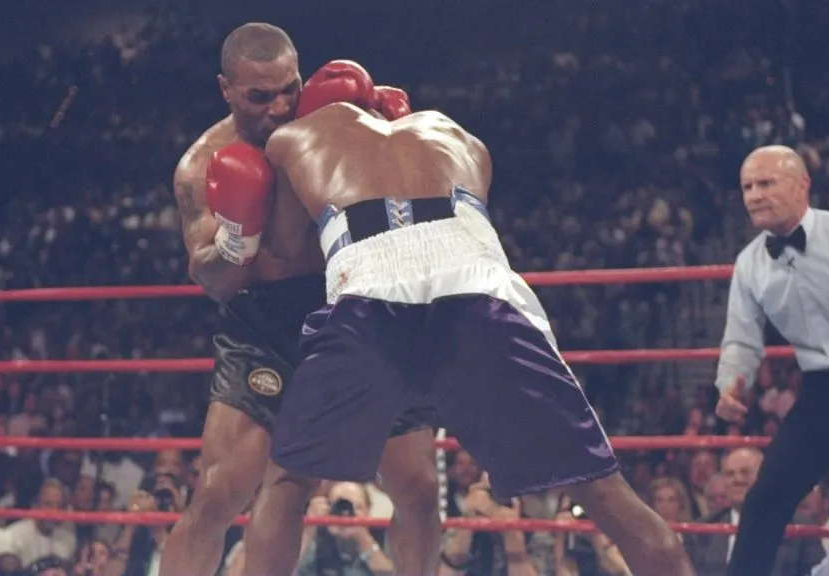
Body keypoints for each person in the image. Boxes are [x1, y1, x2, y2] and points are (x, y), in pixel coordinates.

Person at [241, 59, 694, 576]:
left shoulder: (294, 139)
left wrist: (234, 232)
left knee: (288, 483)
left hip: (369, 289)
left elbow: (279, 254)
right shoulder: (462, 137)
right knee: (603, 490)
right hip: (481, 290)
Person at [162, 24, 441, 575]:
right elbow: (215, 281)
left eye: (288, 89)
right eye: (258, 97)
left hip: (359, 304)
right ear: (226, 89)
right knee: (223, 493)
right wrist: (237, 238)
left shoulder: (338, 123)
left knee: (418, 484)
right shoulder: (203, 165)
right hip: (267, 323)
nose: (279, 107)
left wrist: (393, 133)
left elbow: (417, 197)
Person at [714, 144, 829, 576]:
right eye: (747, 187)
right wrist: (731, 385)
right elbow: (740, 339)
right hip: (822, 389)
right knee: (766, 497)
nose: (754, 195)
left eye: (766, 183)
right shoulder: (750, 263)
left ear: (801, 185)